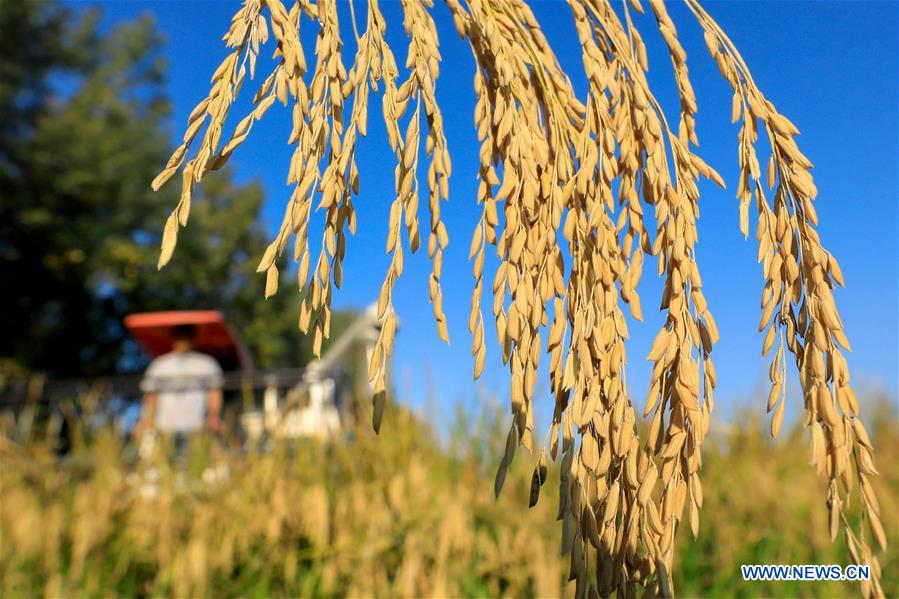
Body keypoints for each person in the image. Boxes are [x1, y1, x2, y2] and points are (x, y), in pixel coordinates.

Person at [136, 324, 224, 437]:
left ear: (193, 338)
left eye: (187, 336)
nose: (183, 340)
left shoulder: (207, 364)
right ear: (173, 338)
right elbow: (152, 396)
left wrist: (213, 416)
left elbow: (214, 393)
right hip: (164, 427)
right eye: (180, 336)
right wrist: (146, 420)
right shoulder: (159, 365)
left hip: (197, 427)